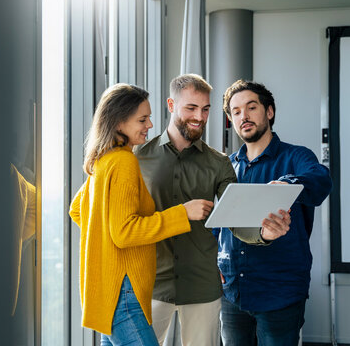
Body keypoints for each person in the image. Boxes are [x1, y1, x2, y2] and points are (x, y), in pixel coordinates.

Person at [134, 74, 291, 346]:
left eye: (205, 109)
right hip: (150, 283)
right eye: (191, 108)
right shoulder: (138, 157)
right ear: (171, 105)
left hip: (202, 286)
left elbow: (236, 218)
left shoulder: (219, 163)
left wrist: (263, 234)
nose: (199, 117)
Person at [69, 83, 214, 346]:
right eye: (142, 119)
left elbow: (79, 210)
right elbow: (124, 232)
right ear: (119, 121)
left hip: (109, 291)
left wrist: (109, 251)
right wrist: (182, 213)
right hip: (124, 293)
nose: (149, 125)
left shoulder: (104, 159)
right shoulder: (124, 162)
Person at [219, 79, 333, 346]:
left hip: (279, 293)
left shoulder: (296, 156)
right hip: (232, 292)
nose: (243, 116)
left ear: (269, 112)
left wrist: (288, 186)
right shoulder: (226, 167)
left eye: (251, 107)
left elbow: (321, 181)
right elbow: (218, 225)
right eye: (235, 112)